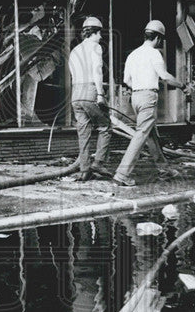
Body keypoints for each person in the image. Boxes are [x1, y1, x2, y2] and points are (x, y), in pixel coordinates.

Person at [113, 19, 188, 187]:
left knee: (150, 134)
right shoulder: (154, 53)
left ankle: (164, 169)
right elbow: (165, 76)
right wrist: (182, 86)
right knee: (141, 134)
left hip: (136, 97)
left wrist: (139, 87)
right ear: (159, 39)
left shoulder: (133, 55)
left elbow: (126, 80)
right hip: (148, 97)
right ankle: (122, 174)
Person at [68, 17, 113, 181]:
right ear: (95, 32)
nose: (101, 37)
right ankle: (99, 163)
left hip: (76, 93)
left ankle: (84, 169)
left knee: (84, 132)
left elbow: (72, 75)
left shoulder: (74, 51)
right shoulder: (96, 47)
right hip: (90, 90)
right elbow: (97, 71)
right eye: (100, 33)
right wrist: (100, 94)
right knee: (105, 126)